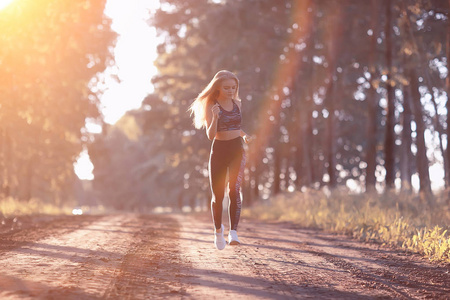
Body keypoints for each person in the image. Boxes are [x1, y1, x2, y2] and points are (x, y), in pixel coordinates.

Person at [189, 70, 253, 250]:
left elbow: (235, 127)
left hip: (237, 149)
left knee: (234, 189)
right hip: (218, 150)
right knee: (218, 196)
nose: (231, 90)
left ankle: (234, 232)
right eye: (227, 88)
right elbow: (210, 135)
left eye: (233, 87)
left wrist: (245, 135)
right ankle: (218, 231)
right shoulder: (211, 104)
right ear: (218, 87)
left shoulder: (238, 103)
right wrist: (215, 116)